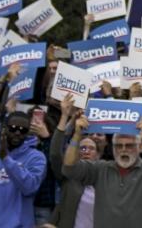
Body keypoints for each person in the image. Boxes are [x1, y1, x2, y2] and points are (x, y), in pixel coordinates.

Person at [61, 116, 142, 228]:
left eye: (129, 145)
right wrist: (77, 136)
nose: (123, 149)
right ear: (113, 148)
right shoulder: (100, 168)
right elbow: (69, 168)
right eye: (119, 146)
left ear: (140, 147)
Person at [47, 95, 99, 228]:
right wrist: (65, 117)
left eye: (91, 148)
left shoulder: (105, 177)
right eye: (82, 148)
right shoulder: (68, 176)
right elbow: (55, 153)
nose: (86, 151)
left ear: (98, 154)